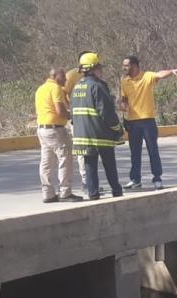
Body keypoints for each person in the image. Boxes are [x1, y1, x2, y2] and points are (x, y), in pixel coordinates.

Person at [119, 55, 177, 191]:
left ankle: (157, 179)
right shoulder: (124, 81)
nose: (124, 68)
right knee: (134, 153)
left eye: (126, 65)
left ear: (135, 65)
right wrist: (123, 105)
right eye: (124, 65)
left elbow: (160, 74)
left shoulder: (147, 76)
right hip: (132, 122)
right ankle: (135, 179)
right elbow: (124, 98)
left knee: (152, 150)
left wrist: (171, 71)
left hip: (147, 121)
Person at [71, 52, 125, 200]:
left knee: (90, 166)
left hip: (82, 135)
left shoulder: (76, 88)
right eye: (100, 67)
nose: (102, 70)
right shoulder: (98, 86)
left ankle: (93, 194)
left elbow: (73, 115)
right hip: (100, 134)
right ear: (94, 69)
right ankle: (117, 191)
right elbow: (107, 112)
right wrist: (117, 129)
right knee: (109, 164)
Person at [34, 68, 82, 203]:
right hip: (55, 130)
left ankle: (48, 193)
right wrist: (71, 115)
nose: (66, 79)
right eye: (63, 77)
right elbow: (60, 110)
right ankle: (65, 192)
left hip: (42, 129)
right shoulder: (55, 88)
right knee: (65, 158)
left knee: (46, 162)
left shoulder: (40, 89)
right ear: (54, 76)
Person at [66, 51, 96, 195]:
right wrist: (72, 109)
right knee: (82, 152)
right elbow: (63, 93)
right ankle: (86, 181)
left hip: (91, 119)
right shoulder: (72, 75)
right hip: (77, 119)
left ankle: (91, 181)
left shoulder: (94, 73)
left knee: (92, 152)